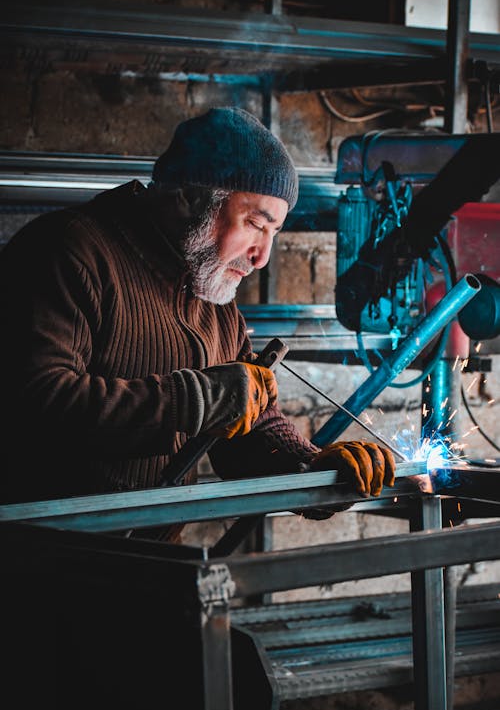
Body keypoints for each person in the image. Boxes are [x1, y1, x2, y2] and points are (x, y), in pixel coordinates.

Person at [0, 107, 395, 530]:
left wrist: (316, 471)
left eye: (273, 234)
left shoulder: (210, 291)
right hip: (40, 560)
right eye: (254, 224)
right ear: (189, 197)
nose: (262, 257)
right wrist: (191, 400)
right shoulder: (69, 251)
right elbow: (36, 401)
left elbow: (245, 429)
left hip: (145, 565)